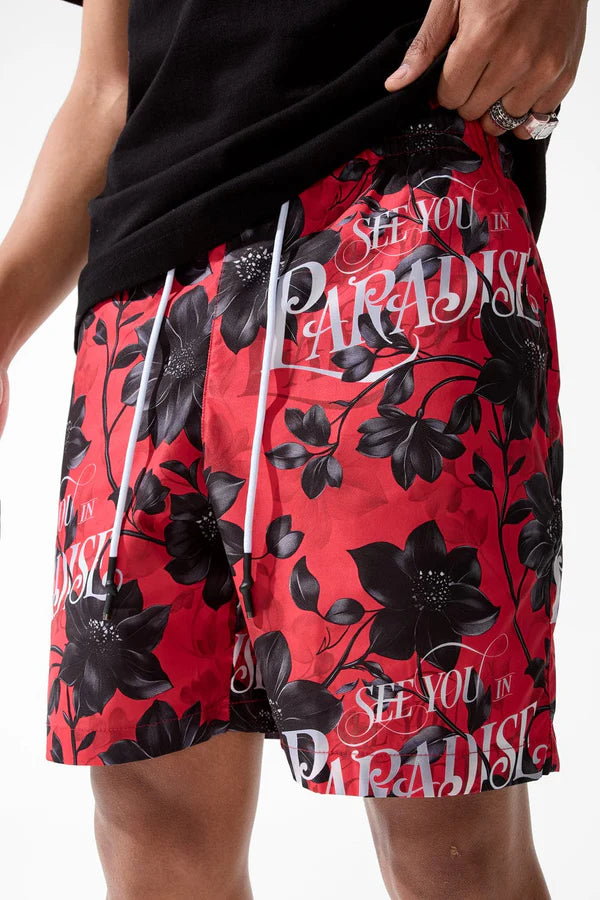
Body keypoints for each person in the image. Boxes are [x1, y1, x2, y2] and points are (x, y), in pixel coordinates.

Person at [0, 0, 588, 897]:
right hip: (144, 307)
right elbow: (108, 87)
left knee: (445, 826)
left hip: (393, 222)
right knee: (147, 815)